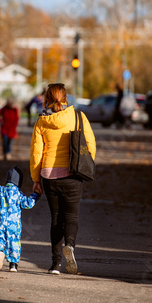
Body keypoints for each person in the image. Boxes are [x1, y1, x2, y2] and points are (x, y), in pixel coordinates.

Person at [30, 83, 96, 275]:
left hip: (49, 175)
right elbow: (90, 144)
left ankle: (55, 264)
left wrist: (35, 179)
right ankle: (70, 246)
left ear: (47, 98)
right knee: (72, 216)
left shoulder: (42, 121)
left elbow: (36, 153)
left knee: (56, 219)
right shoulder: (78, 117)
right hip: (72, 173)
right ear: (66, 97)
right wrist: (86, 166)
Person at [0, 166, 39, 272]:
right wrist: (36, 194)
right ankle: (13, 265)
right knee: (14, 241)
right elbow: (29, 203)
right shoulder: (19, 195)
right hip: (13, 225)